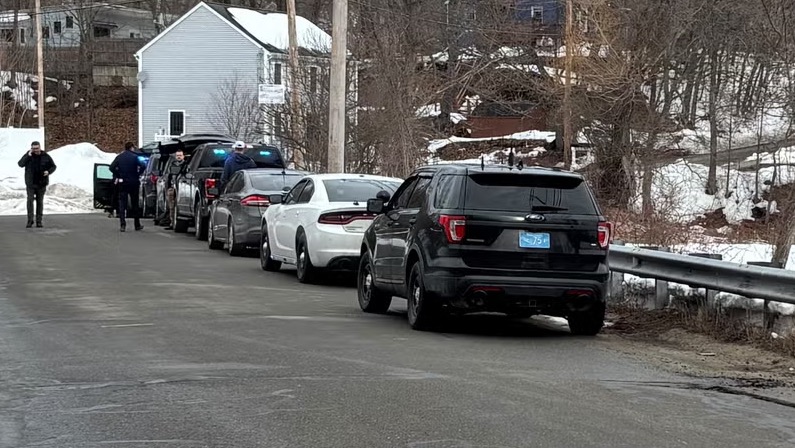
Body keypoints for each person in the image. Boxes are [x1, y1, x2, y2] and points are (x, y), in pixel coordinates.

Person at [17, 140, 56, 228]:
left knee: (40, 202)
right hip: (30, 183)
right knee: (30, 201)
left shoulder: (45, 156)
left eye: (37, 148)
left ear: (40, 147)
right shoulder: (28, 156)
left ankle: (39, 221)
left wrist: (48, 171)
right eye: (34, 149)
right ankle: (30, 220)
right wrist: (28, 155)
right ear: (31, 149)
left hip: (41, 183)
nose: (35, 150)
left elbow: (53, 166)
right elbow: (20, 164)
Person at [109, 142, 144, 232]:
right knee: (135, 203)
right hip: (134, 182)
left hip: (123, 182)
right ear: (131, 148)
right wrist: (138, 174)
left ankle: (123, 224)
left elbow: (111, 167)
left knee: (122, 204)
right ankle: (137, 224)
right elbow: (143, 165)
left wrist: (118, 174)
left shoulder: (119, 157)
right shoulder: (135, 157)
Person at [164, 150, 186, 231]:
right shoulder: (172, 165)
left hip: (182, 189)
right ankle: (172, 223)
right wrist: (169, 187)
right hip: (172, 188)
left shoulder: (186, 165)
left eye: (180, 155)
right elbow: (168, 177)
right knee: (171, 206)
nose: (179, 157)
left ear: (183, 156)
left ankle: (178, 222)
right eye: (177, 155)